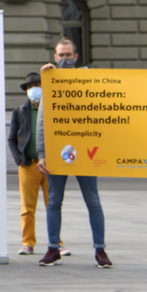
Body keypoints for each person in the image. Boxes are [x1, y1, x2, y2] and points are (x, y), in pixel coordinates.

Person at [37, 38, 112, 268]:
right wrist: (42, 153)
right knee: (54, 202)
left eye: (69, 55)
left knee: (93, 201)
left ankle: (100, 250)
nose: (65, 59)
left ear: (76, 57)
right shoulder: (49, 82)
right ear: (55, 57)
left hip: (85, 150)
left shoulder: (88, 80)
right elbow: (42, 121)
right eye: (61, 55)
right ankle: (53, 248)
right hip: (57, 152)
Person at [8, 72, 49, 256]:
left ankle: (56, 243)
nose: (34, 89)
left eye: (38, 85)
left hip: (50, 166)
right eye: (30, 87)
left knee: (53, 205)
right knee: (27, 208)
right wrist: (19, 159)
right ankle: (28, 242)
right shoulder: (20, 111)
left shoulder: (52, 109)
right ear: (26, 91)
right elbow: (11, 139)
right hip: (28, 164)